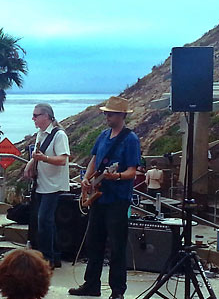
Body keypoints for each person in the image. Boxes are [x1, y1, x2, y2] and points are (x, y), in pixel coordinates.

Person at [69, 96, 140, 299]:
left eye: (110, 113)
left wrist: (115, 176)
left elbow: (132, 172)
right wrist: (86, 179)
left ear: (121, 115)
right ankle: (92, 284)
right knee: (94, 242)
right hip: (99, 197)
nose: (106, 116)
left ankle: (118, 290)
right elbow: (94, 160)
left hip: (117, 199)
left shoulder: (130, 139)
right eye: (106, 113)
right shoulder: (102, 135)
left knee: (117, 245)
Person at [23, 103, 70, 268]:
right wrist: (30, 164)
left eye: (36, 115)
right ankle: (54, 255)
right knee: (46, 221)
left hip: (54, 185)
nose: (33, 118)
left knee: (44, 220)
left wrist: (44, 159)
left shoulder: (59, 135)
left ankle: (47, 258)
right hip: (42, 183)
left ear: (46, 116)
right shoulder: (40, 134)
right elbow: (38, 154)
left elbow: (63, 159)